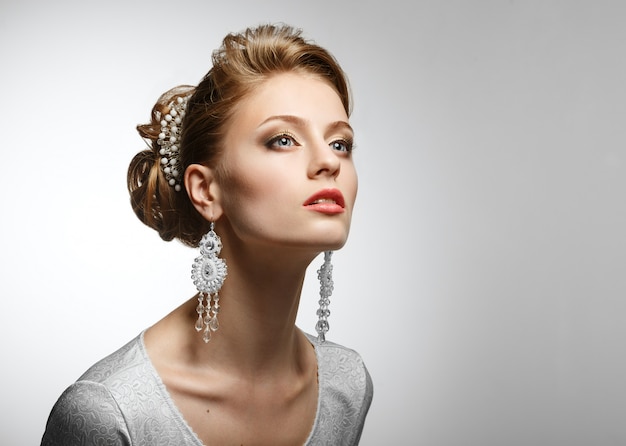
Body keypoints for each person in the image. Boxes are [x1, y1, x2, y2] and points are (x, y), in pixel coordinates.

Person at [41, 23, 373, 446]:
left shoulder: (346, 387)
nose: (328, 162)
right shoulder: (111, 412)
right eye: (283, 139)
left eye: (340, 143)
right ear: (206, 189)